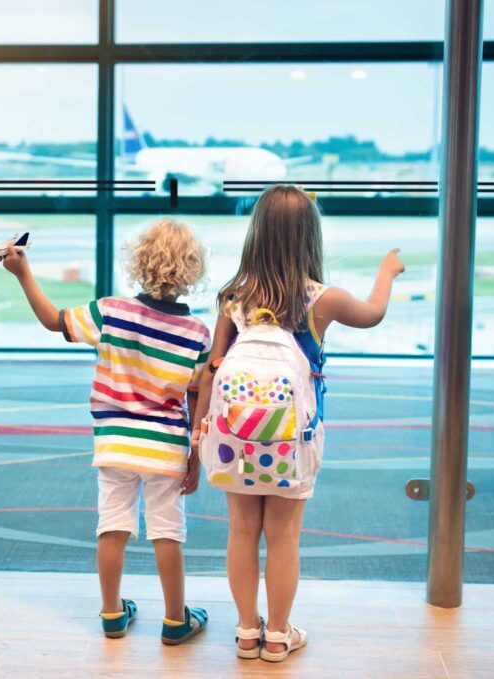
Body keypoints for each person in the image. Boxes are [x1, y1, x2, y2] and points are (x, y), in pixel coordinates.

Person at [189, 185, 405, 662]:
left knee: (241, 531)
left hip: (234, 441)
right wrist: (386, 272)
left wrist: (198, 432)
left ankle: (247, 632)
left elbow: (212, 367)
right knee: (284, 535)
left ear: (257, 233)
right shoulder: (320, 299)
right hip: (293, 441)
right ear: (310, 235)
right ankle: (279, 634)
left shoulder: (234, 296)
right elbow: (373, 314)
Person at [1, 218, 212, 645]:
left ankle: (112, 613)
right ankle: (175, 620)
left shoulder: (110, 311)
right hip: (165, 447)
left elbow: (52, 320)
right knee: (167, 531)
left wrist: (24, 273)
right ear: (193, 270)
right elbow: (196, 399)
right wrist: (195, 457)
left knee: (112, 525)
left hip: (115, 443)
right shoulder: (197, 335)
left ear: (139, 263)